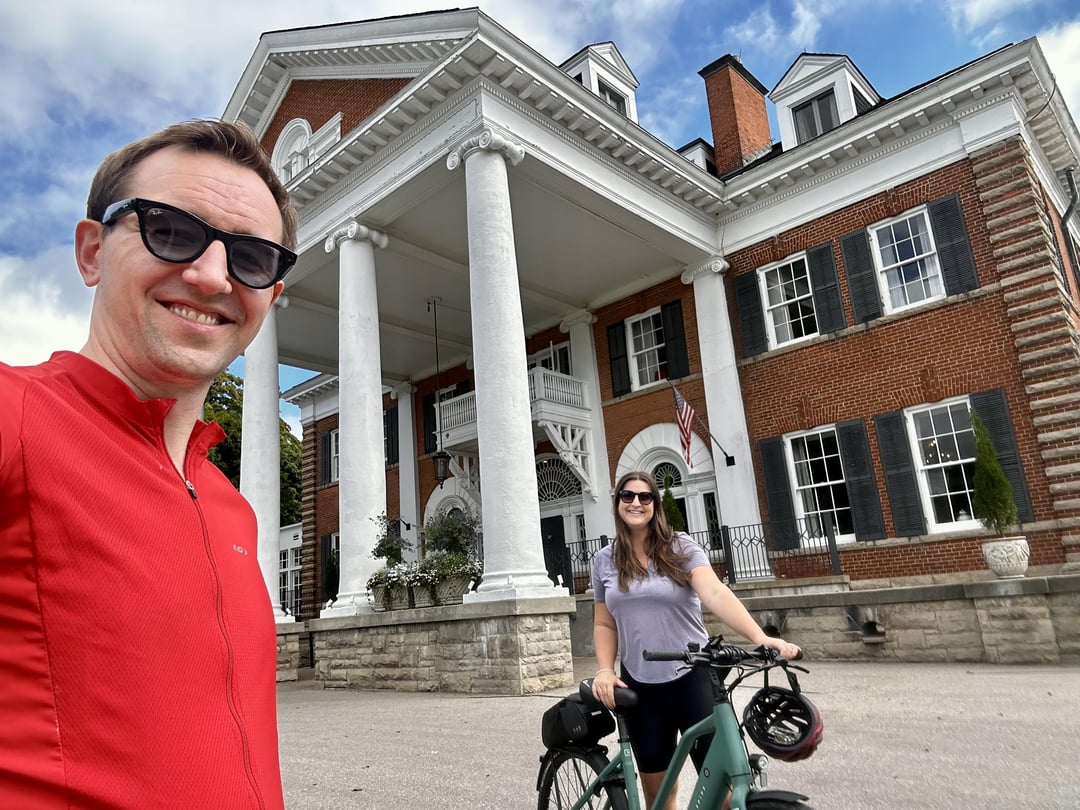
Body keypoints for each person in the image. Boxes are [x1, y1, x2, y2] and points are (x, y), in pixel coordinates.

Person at [0, 120, 298, 808]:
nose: (211, 276)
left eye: (252, 258)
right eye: (169, 230)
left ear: (270, 298)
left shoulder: (230, 503)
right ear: (92, 252)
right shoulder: (16, 415)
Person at [591, 471, 801, 810]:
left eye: (645, 496)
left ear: (655, 504)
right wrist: (604, 669)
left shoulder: (680, 547)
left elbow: (715, 592)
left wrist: (760, 637)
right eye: (627, 496)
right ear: (617, 503)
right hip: (640, 687)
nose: (636, 503)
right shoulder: (605, 559)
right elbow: (604, 623)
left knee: (724, 793)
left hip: (694, 679)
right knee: (660, 795)